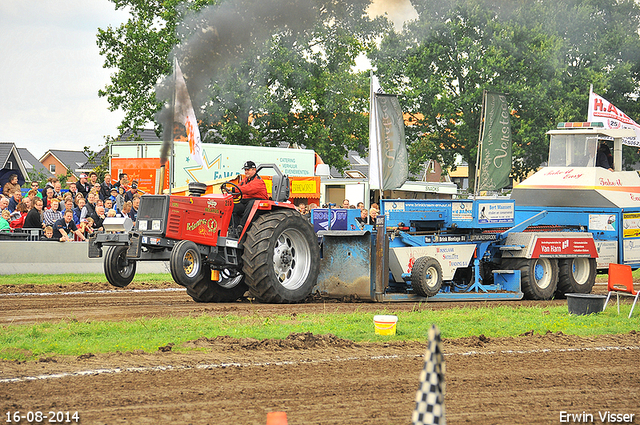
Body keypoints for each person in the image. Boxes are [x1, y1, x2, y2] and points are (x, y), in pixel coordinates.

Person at [231, 161, 268, 230]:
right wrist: (231, 193)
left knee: (252, 203)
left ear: (254, 170)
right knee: (233, 207)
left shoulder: (258, 181)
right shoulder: (245, 180)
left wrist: (233, 189)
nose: (246, 172)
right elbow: (238, 188)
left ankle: (242, 226)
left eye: (248, 170)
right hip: (246, 201)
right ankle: (233, 228)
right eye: (245, 170)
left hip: (259, 202)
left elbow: (247, 189)